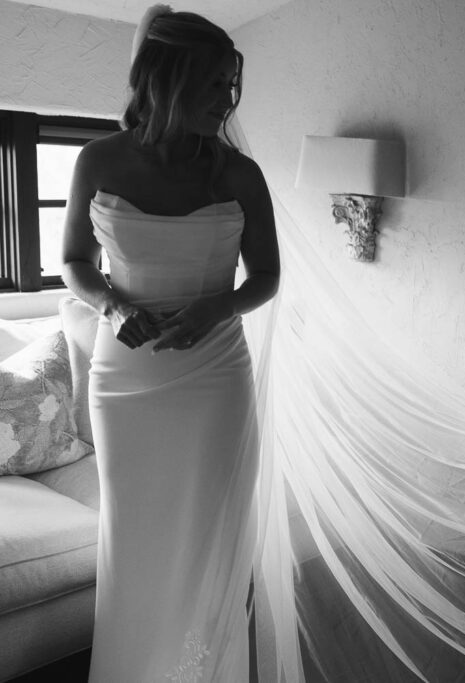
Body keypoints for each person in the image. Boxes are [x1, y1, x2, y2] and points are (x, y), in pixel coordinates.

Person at [61, 5, 279, 681]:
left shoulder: (239, 174)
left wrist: (219, 306)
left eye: (229, 85)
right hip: (125, 379)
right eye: (212, 85)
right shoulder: (97, 159)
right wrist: (112, 301)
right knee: (136, 536)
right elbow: (73, 259)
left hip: (215, 377)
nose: (226, 101)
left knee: (208, 538)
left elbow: (267, 276)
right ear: (165, 82)